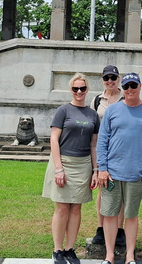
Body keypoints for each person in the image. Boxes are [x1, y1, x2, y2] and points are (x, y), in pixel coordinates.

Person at [97, 72, 142, 264]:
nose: (129, 90)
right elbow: (102, 141)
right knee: (109, 215)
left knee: (131, 215)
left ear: (140, 86)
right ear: (122, 89)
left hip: (136, 173)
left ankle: (129, 256)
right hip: (111, 173)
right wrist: (102, 168)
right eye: (126, 87)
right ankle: (109, 256)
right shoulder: (112, 110)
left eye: (133, 86)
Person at [42, 73, 100, 264]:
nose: (79, 92)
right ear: (71, 90)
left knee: (76, 208)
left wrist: (95, 170)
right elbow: (54, 139)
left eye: (82, 88)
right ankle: (57, 250)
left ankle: (69, 249)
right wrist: (59, 168)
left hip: (83, 164)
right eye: (75, 89)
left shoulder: (92, 115)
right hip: (64, 162)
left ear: (87, 89)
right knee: (61, 207)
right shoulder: (63, 110)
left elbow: (94, 145)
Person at [89, 65, 126, 248]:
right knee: (103, 190)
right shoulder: (97, 100)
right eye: (107, 78)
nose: (110, 81)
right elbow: (92, 126)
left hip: (121, 150)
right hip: (102, 149)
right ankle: (101, 227)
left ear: (119, 78)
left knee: (119, 190)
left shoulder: (125, 96)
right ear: (102, 80)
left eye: (113, 77)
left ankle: (119, 229)